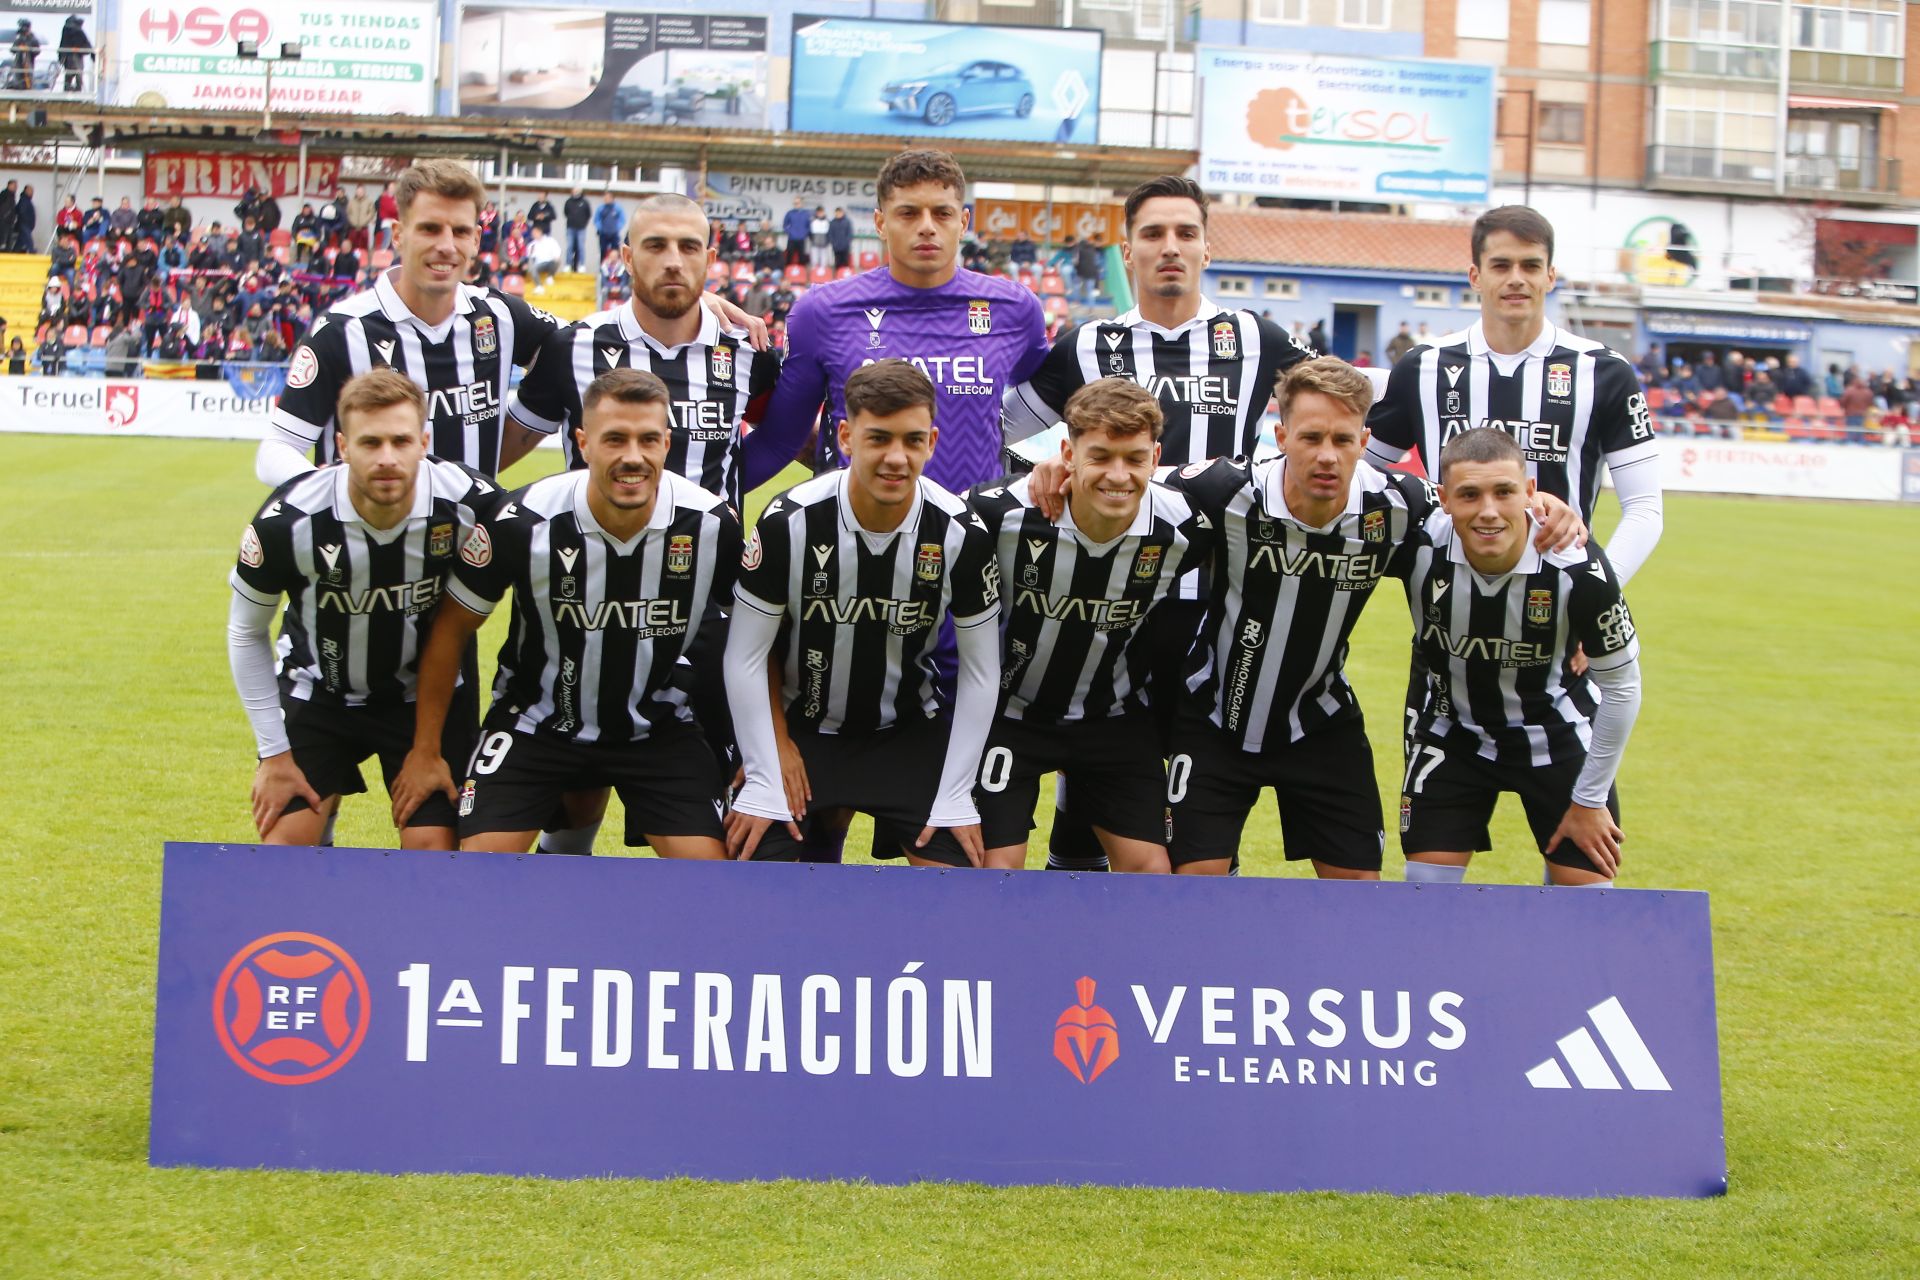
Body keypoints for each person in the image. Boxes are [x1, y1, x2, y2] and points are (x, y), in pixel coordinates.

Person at [1157, 358, 1586, 880]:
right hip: (1213, 717)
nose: (1326, 455)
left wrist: (1542, 506)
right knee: (1192, 887)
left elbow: (1483, 514)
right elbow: (1127, 482)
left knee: (1359, 893)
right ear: (1281, 436)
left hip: (1319, 723)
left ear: (1364, 440)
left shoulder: (1400, 506)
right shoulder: (1224, 489)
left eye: (1342, 439)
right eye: (1311, 437)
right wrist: (1054, 470)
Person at [1002, 174, 1317, 869]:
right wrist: (1035, 473)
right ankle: (1074, 889)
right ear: (1128, 249)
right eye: (1153, 234)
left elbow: (1345, 412)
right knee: (1093, 749)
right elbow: (1000, 426)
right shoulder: (1088, 344)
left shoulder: (1254, 338)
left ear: (1207, 247)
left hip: (1214, 603)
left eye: (1185, 233)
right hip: (1107, 597)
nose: (1170, 247)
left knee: (1187, 789)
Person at [1364, 204, 1663, 810]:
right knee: (1432, 861)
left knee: (1579, 855)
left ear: (1552, 275)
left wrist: (1595, 602)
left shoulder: (1604, 373)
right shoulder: (1424, 368)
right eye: (1500, 264)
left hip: (1560, 638)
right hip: (1450, 637)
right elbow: (1368, 479)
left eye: (1531, 265)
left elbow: (1646, 511)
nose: (1516, 279)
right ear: (1474, 275)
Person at [389, 368, 741, 858]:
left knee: (712, 877)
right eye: (614, 439)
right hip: (536, 724)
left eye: (648, 440)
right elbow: (451, 629)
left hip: (658, 729)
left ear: (666, 444)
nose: (632, 457)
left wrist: (751, 754)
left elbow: (752, 640)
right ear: (583, 443)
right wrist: (425, 751)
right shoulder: (523, 521)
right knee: (475, 872)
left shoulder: (712, 525)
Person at [723, 359, 1001, 866]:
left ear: (933, 442)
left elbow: (983, 673)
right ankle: (819, 839)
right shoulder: (790, 522)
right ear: (846, 436)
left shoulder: (961, 531)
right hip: (803, 733)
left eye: (913, 440)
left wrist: (956, 792)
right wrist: (767, 763)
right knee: (757, 881)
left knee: (961, 888)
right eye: (879, 439)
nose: (897, 457)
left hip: (905, 731)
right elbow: (745, 655)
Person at [226, 368, 504, 850]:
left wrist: (428, 749)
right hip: (319, 688)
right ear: (341, 447)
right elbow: (245, 632)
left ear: (425, 441)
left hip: (424, 698)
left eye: (401, 441)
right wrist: (272, 755)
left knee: (432, 851)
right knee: (282, 851)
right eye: (370, 443)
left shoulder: (470, 505)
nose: (388, 459)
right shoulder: (289, 520)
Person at [968, 379, 1213, 872]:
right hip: (1011, 716)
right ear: (1067, 452)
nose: (1118, 475)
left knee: (1152, 875)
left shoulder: (1188, 526)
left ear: (1156, 457)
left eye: (1134, 458)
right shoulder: (999, 513)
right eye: (1099, 456)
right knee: (994, 874)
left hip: (1113, 718)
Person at [1397, 427, 1642, 887]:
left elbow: (1623, 687)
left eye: (1504, 492)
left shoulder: (1581, 568)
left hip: (1559, 735)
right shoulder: (1417, 543)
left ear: (1531, 493)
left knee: (1587, 904)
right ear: (1444, 498)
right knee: (1423, 893)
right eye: (1469, 494)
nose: (1488, 511)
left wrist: (1589, 801)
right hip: (1454, 733)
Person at [741, 149, 1049, 495]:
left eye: (942, 213)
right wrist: (696, 504)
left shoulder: (1015, 309)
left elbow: (1051, 394)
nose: (927, 227)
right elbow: (780, 442)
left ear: (962, 223)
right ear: (880, 223)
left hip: (974, 533)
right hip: (853, 537)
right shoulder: (822, 312)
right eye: (908, 213)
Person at [259, 159, 565, 485]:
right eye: (430, 228)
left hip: (474, 535)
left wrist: (531, 417)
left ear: (476, 240)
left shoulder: (500, 316)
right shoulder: (342, 331)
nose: (446, 246)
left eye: (460, 231)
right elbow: (278, 448)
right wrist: (328, 491)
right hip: (367, 533)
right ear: (398, 234)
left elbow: (582, 348)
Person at [57, 14, 90, 93]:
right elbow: (62, 45)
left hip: (76, 58)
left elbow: (87, 47)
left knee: (77, 76)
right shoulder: (66, 31)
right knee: (69, 77)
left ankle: (76, 89)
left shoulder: (78, 32)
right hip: (68, 59)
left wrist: (78, 49)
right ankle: (68, 89)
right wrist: (61, 58)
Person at [525, 224, 562, 293]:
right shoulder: (532, 245)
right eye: (533, 233)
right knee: (533, 268)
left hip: (550, 262)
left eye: (535, 232)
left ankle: (550, 277)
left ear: (540, 232)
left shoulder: (550, 240)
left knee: (557, 261)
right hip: (539, 264)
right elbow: (529, 257)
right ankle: (539, 286)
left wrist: (557, 257)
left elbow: (557, 251)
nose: (533, 234)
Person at [563, 187, 592, 271]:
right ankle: (568, 264)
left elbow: (588, 214)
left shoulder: (585, 202)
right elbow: (566, 212)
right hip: (570, 227)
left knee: (581, 247)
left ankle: (581, 265)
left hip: (581, 228)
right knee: (570, 246)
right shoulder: (568, 201)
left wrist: (583, 222)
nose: (575, 192)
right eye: (574, 190)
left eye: (577, 191)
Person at [594, 192, 625, 266]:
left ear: (612, 198)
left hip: (614, 234)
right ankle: (602, 267)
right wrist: (601, 228)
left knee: (615, 251)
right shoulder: (601, 208)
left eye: (608, 198)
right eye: (605, 198)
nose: (606, 199)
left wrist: (616, 228)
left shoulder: (617, 208)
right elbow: (596, 219)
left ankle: (615, 268)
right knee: (603, 251)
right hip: (603, 233)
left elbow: (622, 220)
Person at [1073, 234, 1102, 306]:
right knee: (1090, 291)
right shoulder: (1092, 248)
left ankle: (1076, 302)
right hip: (1092, 272)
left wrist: (1076, 268)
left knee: (1076, 287)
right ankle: (1091, 307)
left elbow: (1076, 261)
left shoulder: (1078, 249)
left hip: (1081, 272)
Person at [782, 196, 811, 268]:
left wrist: (805, 233)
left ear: (802, 203)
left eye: (797, 203)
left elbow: (809, 225)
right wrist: (789, 232)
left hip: (802, 239)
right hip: (791, 238)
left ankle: (801, 274)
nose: (796, 204)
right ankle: (787, 272)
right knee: (789, 256)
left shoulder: (806, 213)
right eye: (794, 203)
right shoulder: (790, 213)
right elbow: (785, 225)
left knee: (802, 257)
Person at [828, 206, 854, 272]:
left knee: (845, 263)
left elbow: (850, 234)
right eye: (837, 213)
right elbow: (830, 234)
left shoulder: (847, 222)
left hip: (845, 247)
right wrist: (833, 243)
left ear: (842, 213)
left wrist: (846, 243)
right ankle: (838, 277)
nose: (838, 214)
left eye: (839, 213)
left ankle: (845, 278)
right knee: (837, 263)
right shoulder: (832, 222)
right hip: (836, 247)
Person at [808, 205, 832, 274]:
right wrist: (812, 240)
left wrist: (827, 241)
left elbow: (829, 233)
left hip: (824, 243)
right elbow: (810, 232)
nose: (820, 214)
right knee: (814, 260)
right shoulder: (812, 221)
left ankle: (823, 275)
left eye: (821, 212)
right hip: (814, 243)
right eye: (818, 212)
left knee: (824, 260)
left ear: (824, 212)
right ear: (816, 213)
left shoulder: (827, 221)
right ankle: (814, 275)